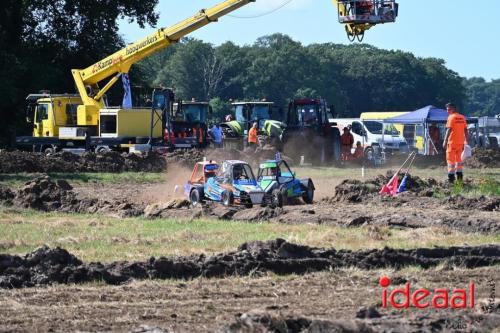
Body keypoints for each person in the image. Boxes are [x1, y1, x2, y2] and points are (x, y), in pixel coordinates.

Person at [443, 103, 468, 184]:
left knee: (450, 161)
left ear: (453, 109)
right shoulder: (462, 117)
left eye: (449, 109)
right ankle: (460, 178)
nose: (447, 111)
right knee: (459, 161)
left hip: (452, 142)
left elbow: (449, 130)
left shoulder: (451, 117)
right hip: (460, 143)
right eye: (447, 109)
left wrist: (445, 141)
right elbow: (466, 130)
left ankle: (451, 179)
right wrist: (466, 141)